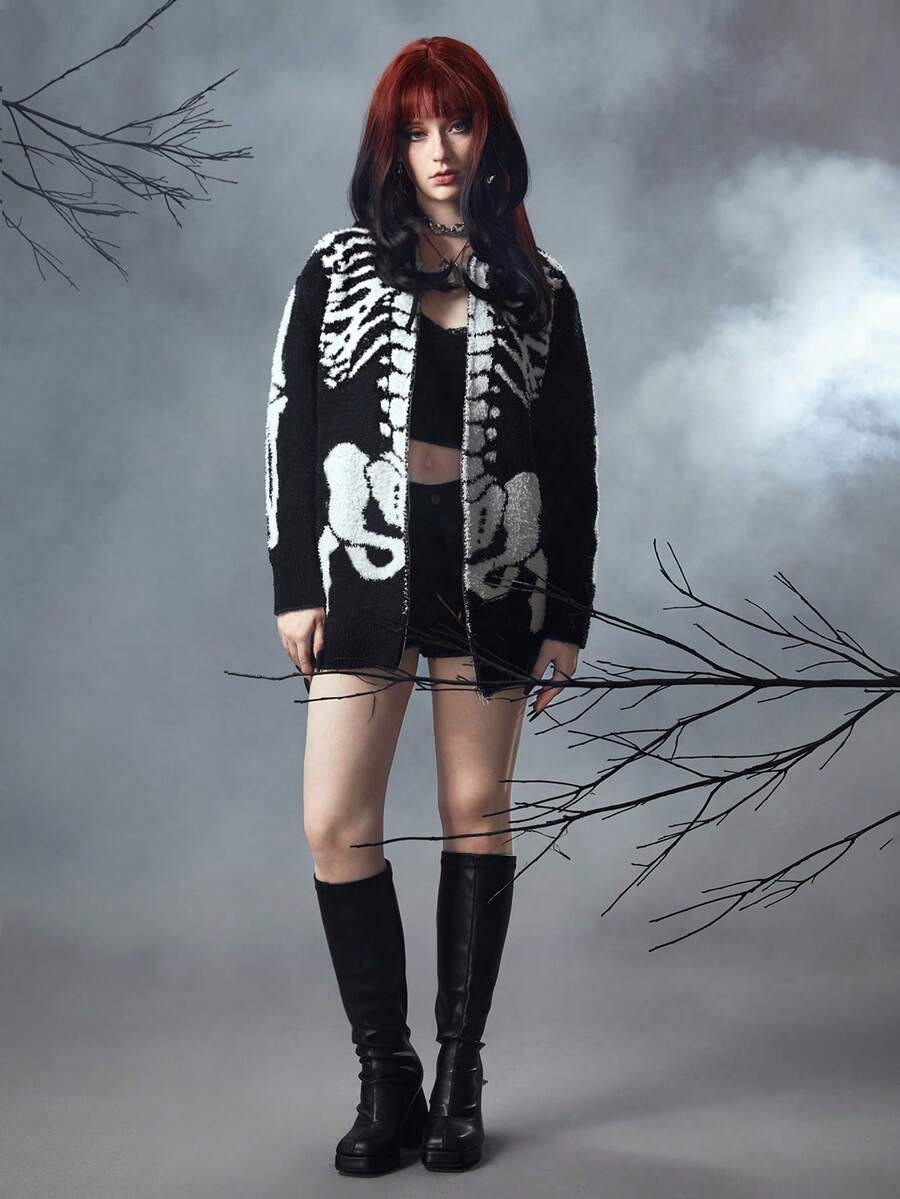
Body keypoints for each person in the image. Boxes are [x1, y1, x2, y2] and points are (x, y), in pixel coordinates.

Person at [264, 36, 598, 1175]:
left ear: (488, 131)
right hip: (366, 561)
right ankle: (386, 1074)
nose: (439, 149)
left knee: (472, 806)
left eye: (456, 122)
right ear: (391, 146)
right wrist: (294, 583)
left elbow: (570, 456)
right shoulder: (337, 267)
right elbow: (291, 425)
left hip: (493, 567)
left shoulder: (543, 289)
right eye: (415, 130)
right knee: (335, 821)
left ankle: (460, 1075)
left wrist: (567, 614)